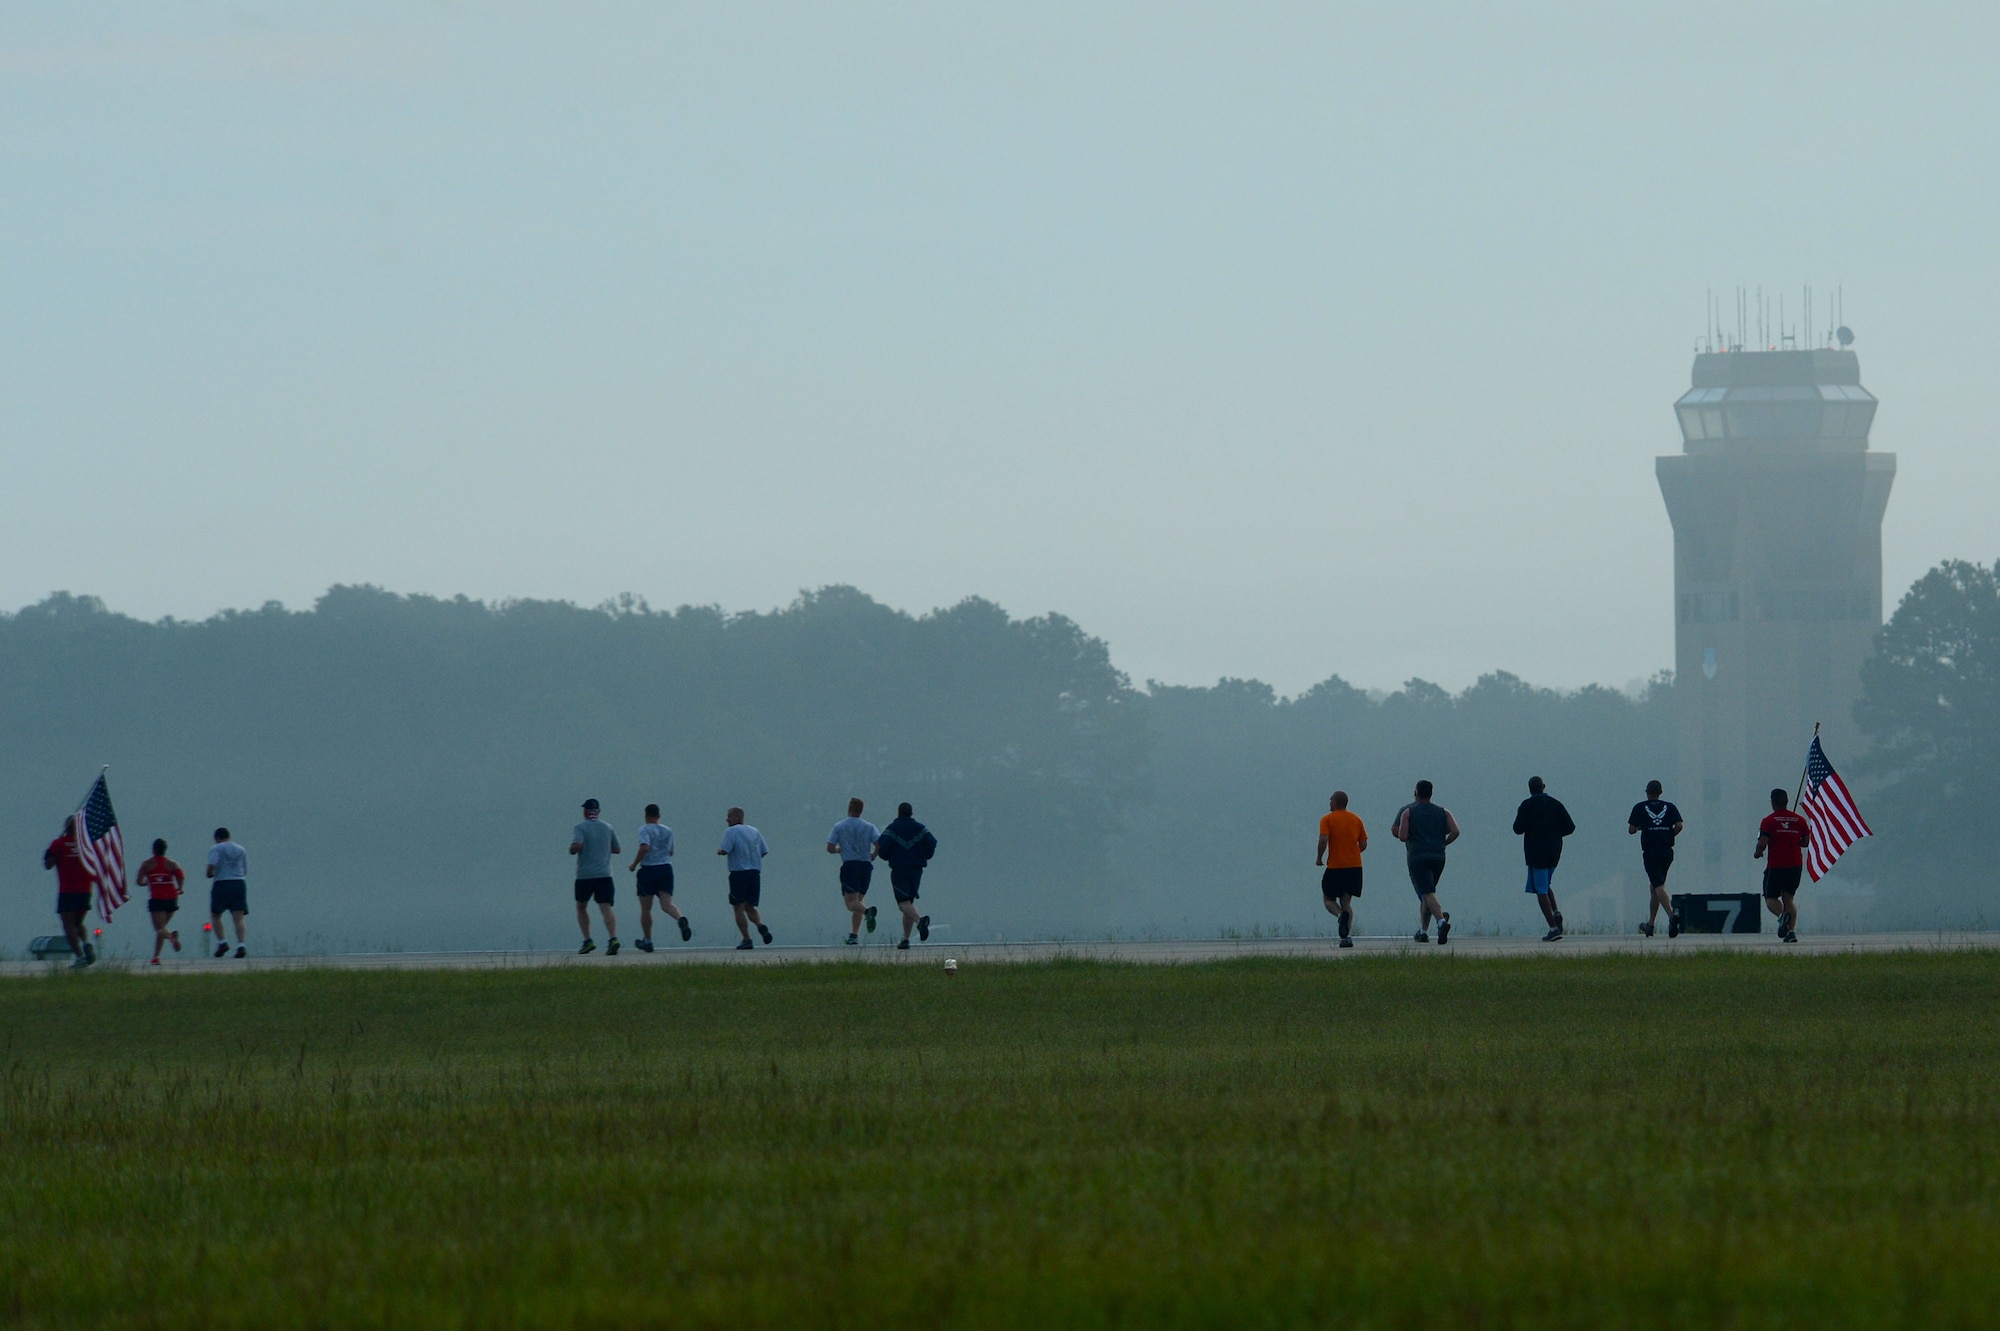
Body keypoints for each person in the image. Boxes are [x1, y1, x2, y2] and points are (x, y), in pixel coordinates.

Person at [1391, 780, 1459, 944]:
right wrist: (1444, 842)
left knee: (1427, 892)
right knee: (1428, 893)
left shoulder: (1408, 812)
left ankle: (1441, 921)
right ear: (1431, 793)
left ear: (1416, 792)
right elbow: (1455, 831)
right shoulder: (1444, 812)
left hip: (1418, 856)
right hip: (1438, 856)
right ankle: (1423, 931)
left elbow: (1402, 836)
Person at [1512, 776, 1576, 942]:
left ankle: (1553, 927)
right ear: (1543, 786)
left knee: (1540, 890)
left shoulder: (1526, 805)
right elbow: (1570, 827)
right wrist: (1554, 833)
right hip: (1554, 851)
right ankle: (1556, 912)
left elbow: (1517, 829)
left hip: (1535, 852)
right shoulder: (1556, 804)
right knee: (1545, 884)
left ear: (1530, 789)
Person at [875, 802, 938, 950]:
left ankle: (919, 921)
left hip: (899, 869)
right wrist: (926, 855)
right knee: (908, 903)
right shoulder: (920, 828)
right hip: (916, 869)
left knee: (903, 903)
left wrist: (886, 856)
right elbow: (932, 842)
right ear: (911, 813)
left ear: (898, 812)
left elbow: (882, 845)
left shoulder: (893, 828)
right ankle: (906, 939)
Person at [627, 803, 688, 951]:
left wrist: (634, 864)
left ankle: (647, 940)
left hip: (649, 870)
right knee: (667, 904)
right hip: (666, 868)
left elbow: (645, 847)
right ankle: (680, 918)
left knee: (646, 908)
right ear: (659, 815)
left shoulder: (644, 829)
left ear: (646, 815)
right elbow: (671, 851)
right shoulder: (668, 830)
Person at [1628, 780, 1685, 937]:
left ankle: (1671, 916)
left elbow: (1631, 829)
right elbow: (1679, 825)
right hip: (1667, 851)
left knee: (1658, 885)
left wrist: (1643, 827)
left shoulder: (1639, 807)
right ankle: (1651, 925)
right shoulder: (1670, 807)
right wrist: (1668, 834)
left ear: (1647, 792)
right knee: (1655, 886)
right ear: (1660, 792)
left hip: (1651, 851)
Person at [1754, 787, 1810, 943]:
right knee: (1788, 899)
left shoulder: (1768, 821)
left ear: (1773, 802)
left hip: (1777, 865)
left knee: (1770, 898)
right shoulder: (1800, 820)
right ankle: (1790, 933)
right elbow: (1805, 842)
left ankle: (1781, 916)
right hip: (1795, 865)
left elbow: (1762, 843)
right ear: (1786, 802)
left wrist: (1758, 852)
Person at [569, 798, 621, 955]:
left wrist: (573, 848)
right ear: (598, 811)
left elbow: (576, 846)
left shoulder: (580, 827)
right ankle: (613, 938)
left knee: (581, 906)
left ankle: (588, 940)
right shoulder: (608, 827)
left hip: (585, 875)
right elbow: (617, 849)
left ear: (586, 811)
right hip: (605, 874)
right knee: (606, 907)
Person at [1315, 791, 1367, 948]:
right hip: (1354, 867)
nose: (1329, 803)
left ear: (1336, 802)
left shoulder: (1327, 819)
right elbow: (1363, 844)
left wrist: (1319, 857)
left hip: (1336, 866)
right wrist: (1351, 853)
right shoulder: (1356, 819)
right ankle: (1346, 937)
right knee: (1346, 902)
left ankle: (1339, 916)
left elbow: (1323, 839)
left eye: (1331, 800)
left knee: (1328, 899)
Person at [825, 797, 880, 945]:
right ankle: (854, 935)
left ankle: (868, 912)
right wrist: (873, 855)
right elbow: (879, 843)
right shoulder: (869, 827)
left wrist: (839, 850)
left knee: (850, 903)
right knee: (858, 901)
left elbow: (830, 848)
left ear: (849, 808)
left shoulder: (840, 826)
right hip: (866, 866)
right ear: (861, 810)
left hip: (850, 865)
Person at [43, 815, 95, 968]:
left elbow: (48, 865)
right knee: (79, 922)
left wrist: (49, 853)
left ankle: (79, 956)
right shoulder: (86, 845)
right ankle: (86, 943)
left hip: (68, 890)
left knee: (68, 924)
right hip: (86, 890)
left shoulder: (58, 844)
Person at [718, 807, 773, 951]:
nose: (727, 819)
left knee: (738, 907)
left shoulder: (731, 831)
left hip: (739, 873)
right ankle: (761, 925)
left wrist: (719, 851)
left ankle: (747, 938)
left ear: (737, 817)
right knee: (751, 906)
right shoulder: (755, 831)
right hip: (754, 873)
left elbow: (724, 850)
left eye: (729, 816)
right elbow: (764, 851)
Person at [137, 838, 186, 965]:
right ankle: (156, 956)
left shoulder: (147, 864)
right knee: (161, 928)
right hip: (171, 897)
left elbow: (139, 880)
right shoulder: (172, 864)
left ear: (153, 850)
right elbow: (180, 875)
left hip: (157, 898)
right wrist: (180, 888)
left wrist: (145, 883)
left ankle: (171, 937)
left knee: (159, 929)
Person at [206, 828, 250, 959]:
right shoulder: (241, 849)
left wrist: (210, 873)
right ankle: (241, 945)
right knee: (239, 917)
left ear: (217, 838)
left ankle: (222, 942)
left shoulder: (216, 849)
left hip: (222, 883)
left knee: (216, 914)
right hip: (239, 883)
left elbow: (211, 868)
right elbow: (245, 870)